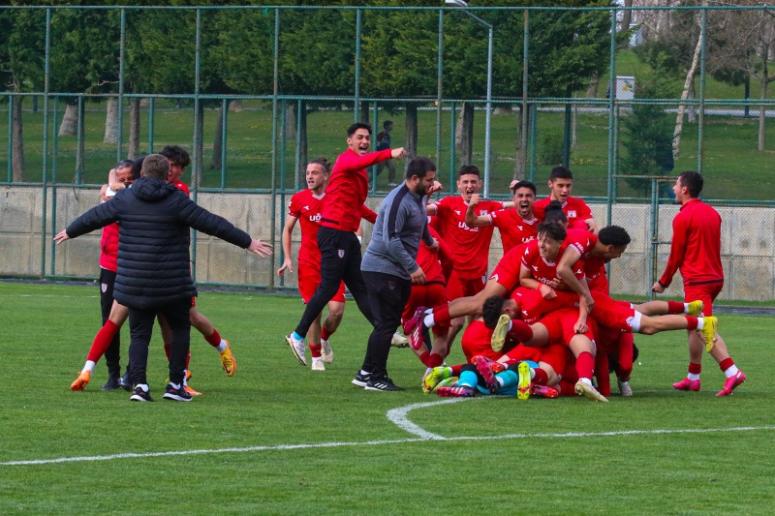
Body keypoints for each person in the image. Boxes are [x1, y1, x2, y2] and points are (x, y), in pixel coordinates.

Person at [55, 154, 272, 402]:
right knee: (179, 330)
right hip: (172, 283)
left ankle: (140, 387)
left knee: (139, 335)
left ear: (142, 173)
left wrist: (70, 231)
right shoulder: (176, 199)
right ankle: (175, 385)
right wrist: (248, 242)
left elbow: (96, 215)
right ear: (167, 174)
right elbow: (212, 223)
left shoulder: (126, 198)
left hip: (135, 282)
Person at [284, 122, 405, 365]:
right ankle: (297, 335)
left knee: (361, 288)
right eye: (359, 137)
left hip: (346, 235)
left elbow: (356, 206)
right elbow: (364, 162)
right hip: (334, 233)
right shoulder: (346, 160)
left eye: (367, 138)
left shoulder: (356, 172)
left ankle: (385, 330)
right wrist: (388, 153)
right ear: (349, 141)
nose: (364, 141)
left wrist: (384, 220)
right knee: (329, 287)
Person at [277, 158, 377, 371]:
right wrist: (286, 257)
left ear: (325, 176)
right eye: (307, 172)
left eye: (314, 172)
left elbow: (359, 218)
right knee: (315, 310)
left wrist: (355, 243)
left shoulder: (337, 198)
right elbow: (287, 229)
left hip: (334, 261)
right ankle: (315, 358)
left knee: (337, 310)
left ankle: (323, 338)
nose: (309, 176)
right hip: (309, 263)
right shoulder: (299, 199)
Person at [652, 171, 746, 397]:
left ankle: (731, 371)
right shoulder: (712, 213)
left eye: (676, 184)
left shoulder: (683, 217)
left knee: (704, 326)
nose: (674, 188)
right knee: (694, 326)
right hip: (715, 278)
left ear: (684, 189)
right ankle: (693, 377)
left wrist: (663, 282)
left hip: (698, 281)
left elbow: (676, 255)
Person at [356, 156, 438, 391]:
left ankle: (365, 372)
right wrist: (413, 266)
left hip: (395, 270)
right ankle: (376, 378)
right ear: (414, 179)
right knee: (387, 323)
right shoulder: (399, 200)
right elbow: (391, 240)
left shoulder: (418, 196)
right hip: (381, 268)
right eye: (428, 180)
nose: (432, 184)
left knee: (386, 323)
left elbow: (420, 221)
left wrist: (430, 241)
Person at [94, 160, 135, 390]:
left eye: (129, 177)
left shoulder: (136, 197)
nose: (124, 181)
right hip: (109, 266)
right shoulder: (114, 190)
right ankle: (113, 374)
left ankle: (132, 372)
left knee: (137, 324)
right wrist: (112, 182)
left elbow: (112, 195)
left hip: (132, 266)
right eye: (121, 177)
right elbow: (109, 194)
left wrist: (114, 185)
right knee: (108, 321)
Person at [464, 180, 539, 254]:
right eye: (520, 196)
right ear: (513, 199)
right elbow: (472, 221)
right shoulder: (503, 215)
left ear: (535, 198)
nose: (524, 199)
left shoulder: (544, 215)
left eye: (528, 196)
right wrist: (471, 207)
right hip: (511, 265)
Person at [532, 166, 596, 231]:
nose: (565, 190)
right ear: (550, 184)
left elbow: (593, 228)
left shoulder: (579, 204)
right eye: (560, 185)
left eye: (568, 186)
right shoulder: (538, 207)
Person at [376, 120, 397, 186]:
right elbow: (377, 144)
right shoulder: (381, 134)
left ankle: (391, 182)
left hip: (387, 154)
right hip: (381, 154)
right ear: (387, 126)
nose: (392, 127)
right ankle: (367, 181)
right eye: (391, 125)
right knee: (379, 169)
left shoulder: (387, 135)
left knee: (392, 167)